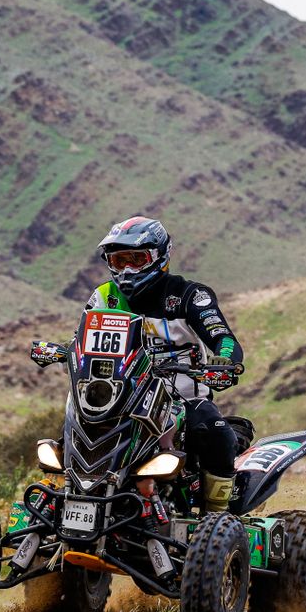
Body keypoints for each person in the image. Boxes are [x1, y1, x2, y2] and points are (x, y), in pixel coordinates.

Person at [86, 216, 248, 513]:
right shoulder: (105, 297)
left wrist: (224, 361)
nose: (127, 269)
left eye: (137, 259)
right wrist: (60, 350)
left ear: (159, 256)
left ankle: (218, 514)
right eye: (119, 260)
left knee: (214, 431)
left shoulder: (189, 296)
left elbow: (224, 339)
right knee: (76, 430)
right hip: (123, 399)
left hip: (183, 399)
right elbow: (83, 342)